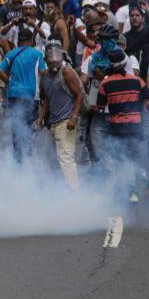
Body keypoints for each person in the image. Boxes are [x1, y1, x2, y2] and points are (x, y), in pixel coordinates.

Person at [96, 49, 149, 203]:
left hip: (116, 127)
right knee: (133, 158)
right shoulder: (136, 80)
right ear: (126, 63)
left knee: (121, 159)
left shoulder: (105, 83)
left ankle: (126, 191)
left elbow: (100, 106)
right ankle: (136, 183)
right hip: (134, 125)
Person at [34, 45, 83, 191]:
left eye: (57, 61)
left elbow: (79, 94)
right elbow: (48, 100)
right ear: (46, 61)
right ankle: (59, 189)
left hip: (66, 121)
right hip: (53, 123)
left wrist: (74, 117)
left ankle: (75, 193)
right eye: (51, 62)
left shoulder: (66, 72)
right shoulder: (45, 77)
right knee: (52, 157)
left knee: (66, 157)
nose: (54, 64)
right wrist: (40, 117)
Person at [0, 28, 46, 163]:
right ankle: (28, 155)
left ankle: (17, 157)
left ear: (19, 40)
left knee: (17, 122)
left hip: (13, 94)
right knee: (30, 125)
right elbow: (43, 72)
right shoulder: (37, 54)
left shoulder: (12, 53)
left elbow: (0, 71)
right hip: (31, 95)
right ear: (31, 41)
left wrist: (10, 82)